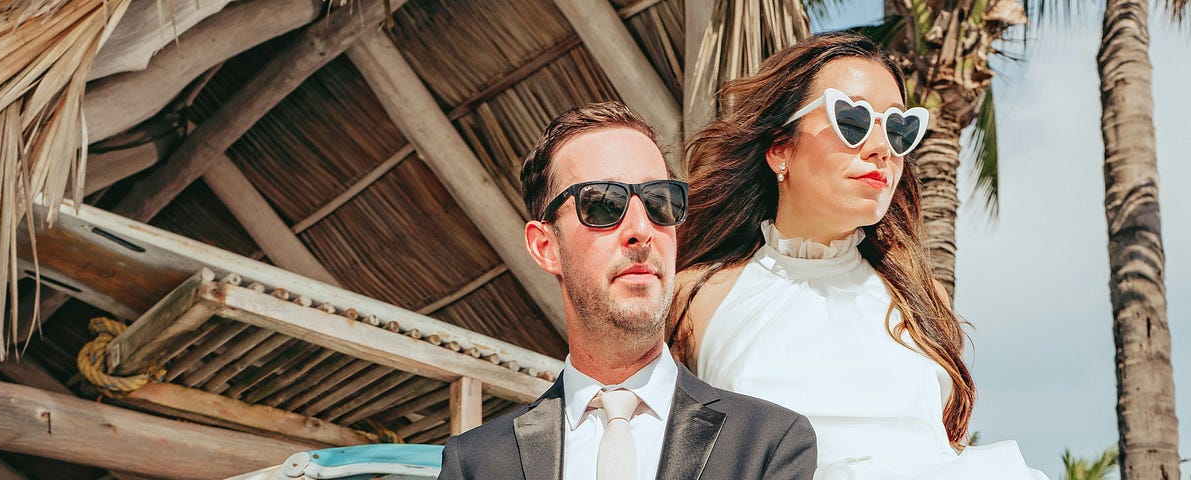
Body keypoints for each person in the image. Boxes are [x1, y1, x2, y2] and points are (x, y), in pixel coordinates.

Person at [669, 33, 1048, 480]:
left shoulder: (923, 304)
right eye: (852, 120)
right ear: (779, 149)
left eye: (898, 129)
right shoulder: (696, 298)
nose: (881, 148)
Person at [439, 101, 818, 480]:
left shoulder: (769, 444)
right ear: (545, 247)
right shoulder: (476, 463)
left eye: (659, 203)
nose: (641, 228)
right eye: (604, 204)